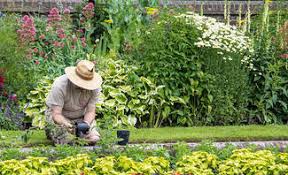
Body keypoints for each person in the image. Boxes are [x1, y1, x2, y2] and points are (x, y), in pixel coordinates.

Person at [45, 60, 102, 145]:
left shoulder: (95, 88)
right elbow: (56, 114)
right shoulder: (60, 85)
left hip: (81, 119)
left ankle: (80, 139)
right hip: (61, 119)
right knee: (68, 141)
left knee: (94, 139)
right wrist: (68, 125)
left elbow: (90, 111)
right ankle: (60, 135)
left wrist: (85, 125)